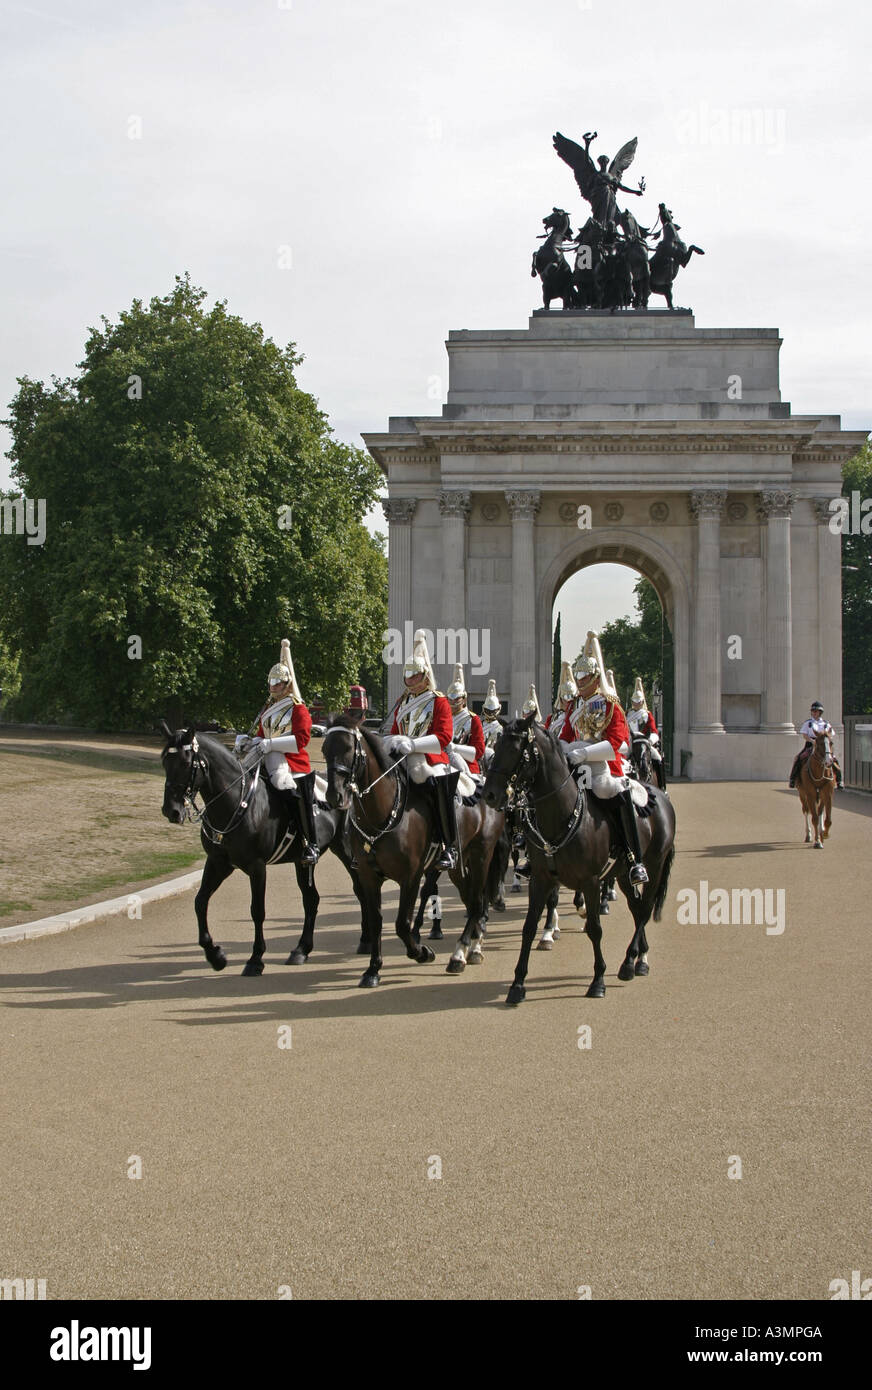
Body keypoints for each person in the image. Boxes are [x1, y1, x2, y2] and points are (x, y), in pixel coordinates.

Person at [562, 632, 648, 887]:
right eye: (578, 677)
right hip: (575, 763)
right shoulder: (573, 706)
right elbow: (565, 735)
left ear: (595, 677)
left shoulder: (610, 704)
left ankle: (634, 858)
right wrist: (567, 748)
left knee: (611, 790)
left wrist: (585, 752)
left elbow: (617, 744)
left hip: (602, 766)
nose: (579, 682)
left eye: (584, 677)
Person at [235, 638, 319, 864]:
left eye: (277, 683)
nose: (273, 686)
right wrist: (247, 741)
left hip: (292, 762)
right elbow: (263, 736)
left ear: (287, 684)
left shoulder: (297, 708)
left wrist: (271, 745)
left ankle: (308, 842)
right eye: (271, 682)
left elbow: (302, 740)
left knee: (285, 785)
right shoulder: (269, 708)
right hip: (267, 756)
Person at [386, 629, 458, 870]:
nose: (410, 679)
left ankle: (449, 845)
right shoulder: (402, 704)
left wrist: (414, 744)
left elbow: (444, 737)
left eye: (415, 675)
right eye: (408, 675)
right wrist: (392, 741)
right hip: (403, 757)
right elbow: (396, 729)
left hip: (431, 758)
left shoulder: (439, 701)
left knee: (438, 786)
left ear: (425, 676)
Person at [789, 701, 843, 789]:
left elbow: (831, 735)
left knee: (834, 759)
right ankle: (793, 779)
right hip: (810, 744)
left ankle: (839, 781)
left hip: (823, 745)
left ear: (820, 712)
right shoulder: (808, 723)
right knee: (799, 758)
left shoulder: (826, 724)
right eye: (813, 711)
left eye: (816, 711)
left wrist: (826, 742)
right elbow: (804, 735)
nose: (814, 713)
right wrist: (812, 741)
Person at [446, 662, 486, 778]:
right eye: (450, 698)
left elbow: (479, 751)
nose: (453, 702)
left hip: (466, 765)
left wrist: (456, 748)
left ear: (463, 699)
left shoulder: (473, 719)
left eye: (457, 698)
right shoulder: (443, 717)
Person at [627, 677, 665, 788]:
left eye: (638, 702)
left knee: (657, 758)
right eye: (634, 702)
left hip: (644, 741)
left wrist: (650, 741)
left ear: (642, 702)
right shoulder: (627, 714)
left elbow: (654, 730)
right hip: (631, 741)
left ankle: (662, 787)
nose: (636, 704)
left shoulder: (647, 714)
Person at [546, 662, 577, 739]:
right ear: (561, 699)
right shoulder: (552, 718)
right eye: (566, 699)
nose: (568, 702)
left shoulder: (578, 714)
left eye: (571, 699)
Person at [480, 679, 504, 771]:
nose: (490, 713)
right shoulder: (479, 725)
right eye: (488, 711)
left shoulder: (501, 728)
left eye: (493, 711)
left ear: (498, 709)